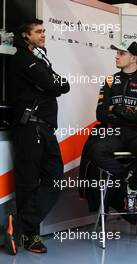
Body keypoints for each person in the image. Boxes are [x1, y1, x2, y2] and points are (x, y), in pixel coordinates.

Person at [6, 19, 70, 255]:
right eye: (38, 31)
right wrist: (49, 85)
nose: (43, 34)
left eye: (44, 31)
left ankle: (20, 225)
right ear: (25, 35)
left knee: (55, 179)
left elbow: (63, 85)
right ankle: (28, 236)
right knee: (28, 183)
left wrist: (51, 84)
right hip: (29, 128)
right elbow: (53, 85)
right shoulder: (22, 59)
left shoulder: (40, 59)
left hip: (45, 129)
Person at [90, 41, 137, 213]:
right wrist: (130, 111)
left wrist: (116, 108)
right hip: (115, 132)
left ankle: (133, 187)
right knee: (95, 151)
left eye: (121, 53)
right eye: (117, 53)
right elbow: (100, 114)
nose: (116, 56)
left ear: (133, 58)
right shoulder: (110, 81)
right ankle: (132, 181)